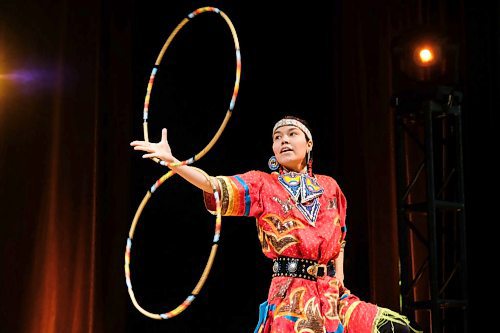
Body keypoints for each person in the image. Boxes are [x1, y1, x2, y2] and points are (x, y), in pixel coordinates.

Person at [130, 116, 422, 333]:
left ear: (308, 144)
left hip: (331, 293)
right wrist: (174, 163)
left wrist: (340, 278)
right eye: (277, 136)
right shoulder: (262, 184)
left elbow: (340, 235)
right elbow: (212, 184)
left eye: (291, 134)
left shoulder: (329, 186)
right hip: (291, 297)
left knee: (394, 329)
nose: (283, 140)